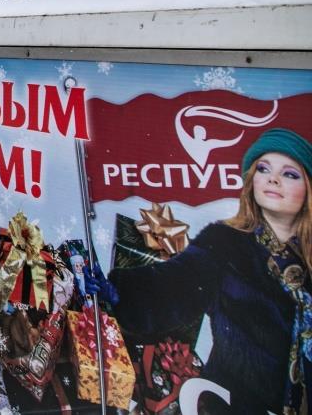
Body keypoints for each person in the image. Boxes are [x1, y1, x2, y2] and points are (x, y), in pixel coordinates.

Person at [87, 127, 312, 414]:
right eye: (263, 169)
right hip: (232, 404)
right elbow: (176, 285)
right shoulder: (226, 242)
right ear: (251, 181)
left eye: (290, 174)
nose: (273, 179)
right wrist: (119, 293)